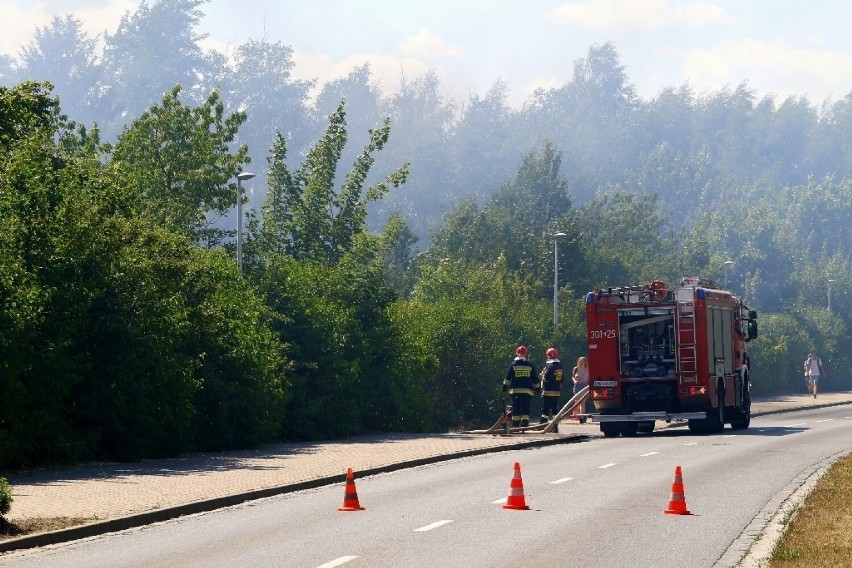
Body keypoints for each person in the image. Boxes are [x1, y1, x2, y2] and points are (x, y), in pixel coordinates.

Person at [502, 345, 540, 428]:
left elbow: (507, 378)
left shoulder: (513, 365)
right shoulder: (529, 365)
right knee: (525, 407)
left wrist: (504, 388)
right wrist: (537, 389)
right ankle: (525, 423)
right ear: (526, 354)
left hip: (515, 391)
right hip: (527, 392)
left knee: (516, 407)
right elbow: (535, 379)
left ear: (516, 354)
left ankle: (515, 424)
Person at [539, 347, 565, 431]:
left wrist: (542, 374)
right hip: (556, 391)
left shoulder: (549, 367)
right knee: (555, 409)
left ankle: (543, 425)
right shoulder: (560, 367)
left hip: (547, 390)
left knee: (545, 409)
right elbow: (561, 380)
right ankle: (555, 427)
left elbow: (546, 378)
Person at [571, 356, 590, 422]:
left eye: (582, 361)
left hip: (584, 386)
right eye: (580, 361)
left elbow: (589, 378)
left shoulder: (587, 369)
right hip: (577, 386)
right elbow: (573, 377)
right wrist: (575, 381)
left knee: (582, 402)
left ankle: (582, 417)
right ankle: (576, 416)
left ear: (585, 362)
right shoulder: (575, 369)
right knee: (577, 401)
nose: (580, 362)